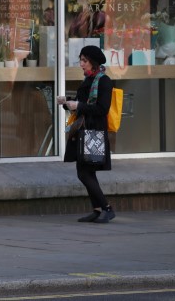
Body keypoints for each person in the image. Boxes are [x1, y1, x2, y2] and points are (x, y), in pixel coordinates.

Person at [56, 45, 116, 223]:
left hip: (93, 131)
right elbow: (82, 103)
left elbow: (102, 108)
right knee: (85, 172)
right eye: (81, 60)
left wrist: (79, 106)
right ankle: (98, 210)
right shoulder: (88, 80)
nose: (81, 64)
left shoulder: (104, 81)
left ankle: (106, 208)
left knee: (84, 172)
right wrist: (67, 103)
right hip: (83, 130)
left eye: (84, 61)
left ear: (93, 63)